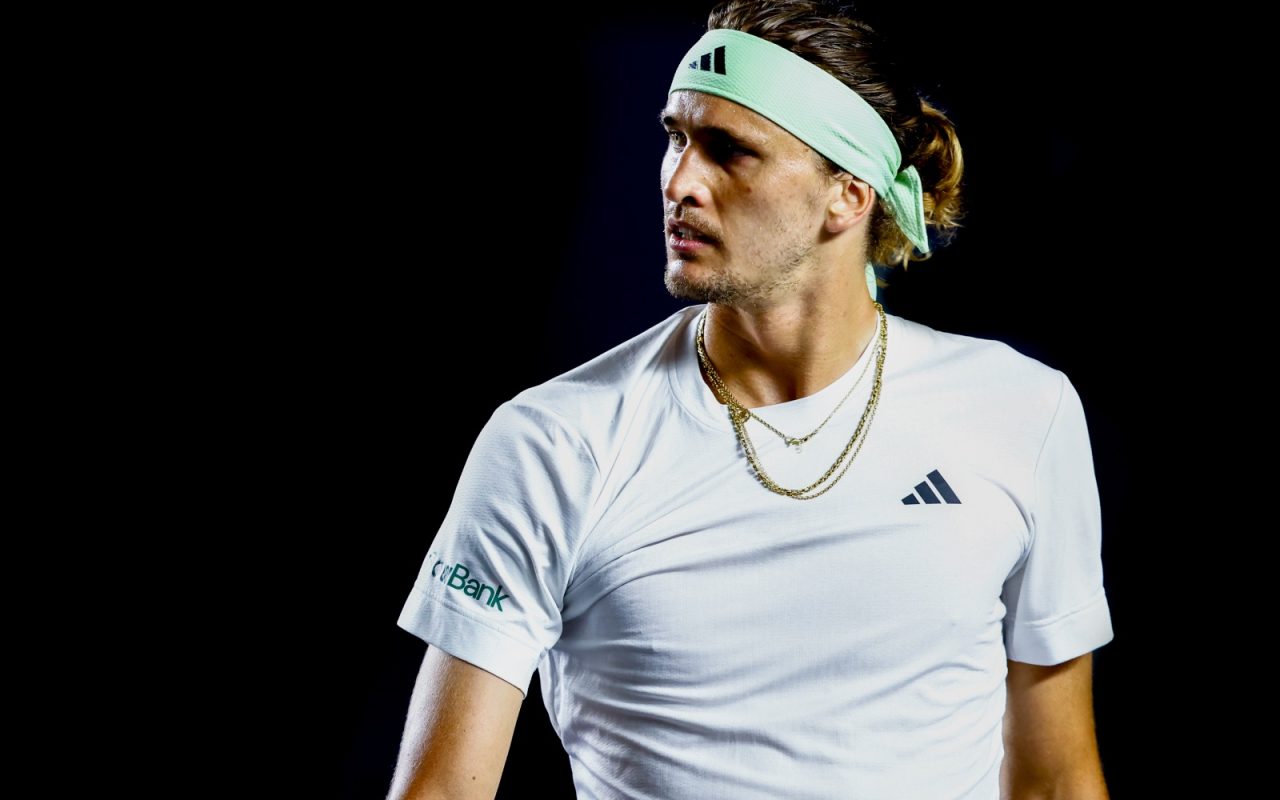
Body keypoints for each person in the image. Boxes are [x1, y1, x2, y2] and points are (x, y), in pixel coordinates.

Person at [385, 2, 1114, 798]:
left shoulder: (1022, 412)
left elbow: (1056, 781)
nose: (679, 182)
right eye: (675, 137)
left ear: (848, 195)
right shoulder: (552, 443)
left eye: (728, 150)